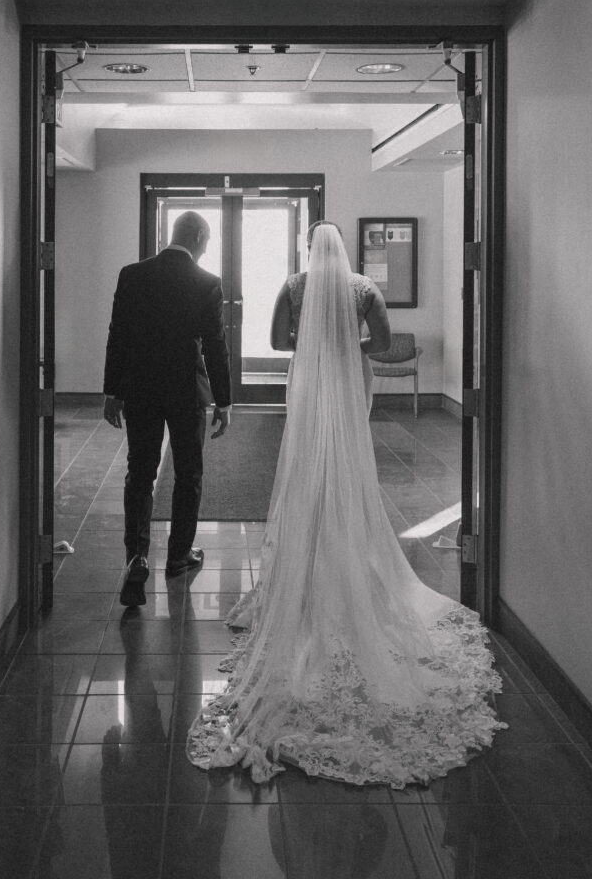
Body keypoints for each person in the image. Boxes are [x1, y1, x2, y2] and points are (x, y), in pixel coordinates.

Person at [187, 220, 505, 788]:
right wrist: (345, 342)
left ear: (310, 248)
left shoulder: (295, 285)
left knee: (309, 456)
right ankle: (349, 547)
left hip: (311, 374)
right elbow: (380, 345)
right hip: (348, 375)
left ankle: (310, 546)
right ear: (344, 249)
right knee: (349, 459)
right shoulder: (363, 288)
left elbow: (279, 342)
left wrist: (315, 340)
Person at [103, 210, 232, 606]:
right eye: (207, 241)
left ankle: (137, 557)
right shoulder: (206, 282)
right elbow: (215, 345)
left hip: (140, 388)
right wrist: (224, 400)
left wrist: (112, 391)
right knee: (188, 473)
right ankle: (179, 556)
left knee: (140, 471)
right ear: (199, 238)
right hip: (185, 392)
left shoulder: (132, 275)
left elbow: (118, 334)